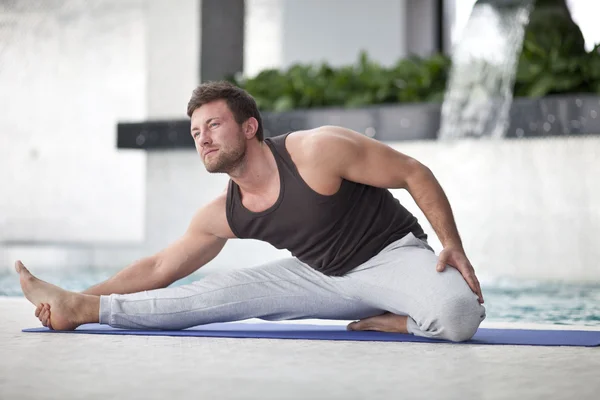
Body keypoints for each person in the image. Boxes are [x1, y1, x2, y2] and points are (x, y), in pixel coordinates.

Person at [16, 81, 486, 342]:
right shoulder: (223, 212)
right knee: (208, 296)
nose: (202, 137)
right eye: (196, 131)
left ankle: (398, 318)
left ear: (250, 127)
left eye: (214, 124)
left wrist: (453, 246)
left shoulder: (317, 151)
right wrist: (81, 294)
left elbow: (414, 172)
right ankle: (78, 307)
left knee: (460, 315)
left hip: (391, 257)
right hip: (321, 276)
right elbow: (159, 267)